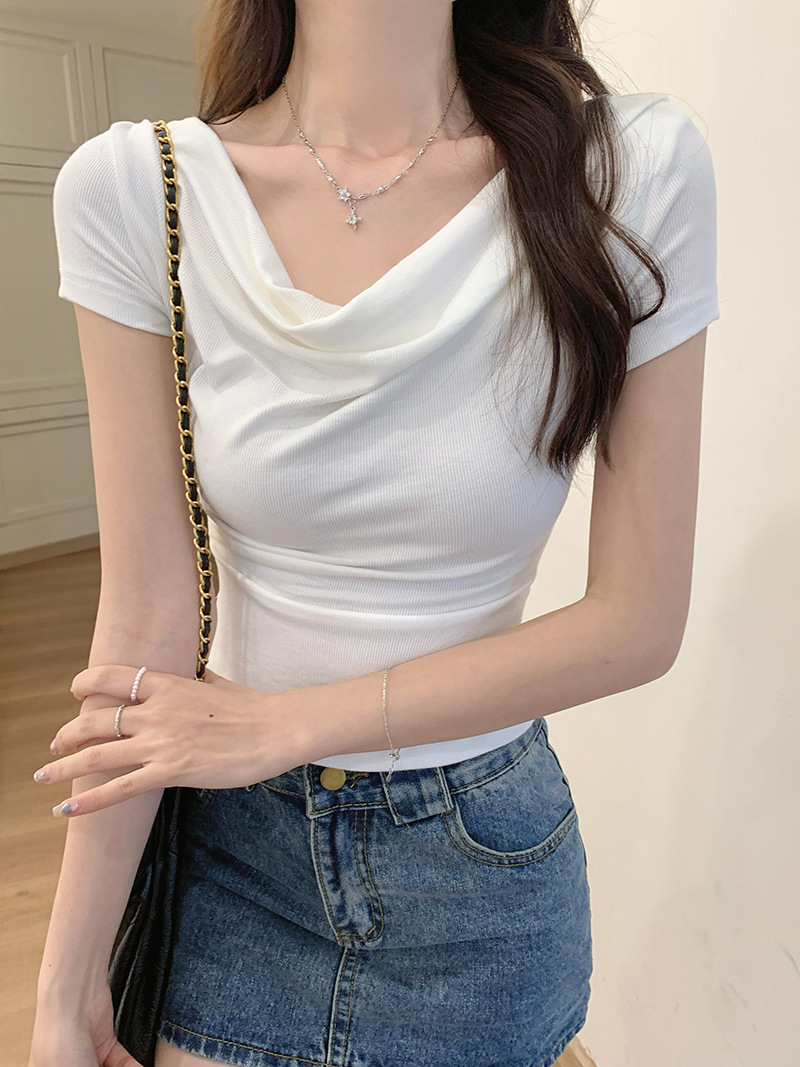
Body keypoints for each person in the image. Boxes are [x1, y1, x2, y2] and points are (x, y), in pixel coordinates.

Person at [31, 1, 720, 1065]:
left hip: (477, 871)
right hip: (236, 859)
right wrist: (65, 986)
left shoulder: (624, 172)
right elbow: (143, 623)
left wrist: (284, 723)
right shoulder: (137, 188)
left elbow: (637, 620)